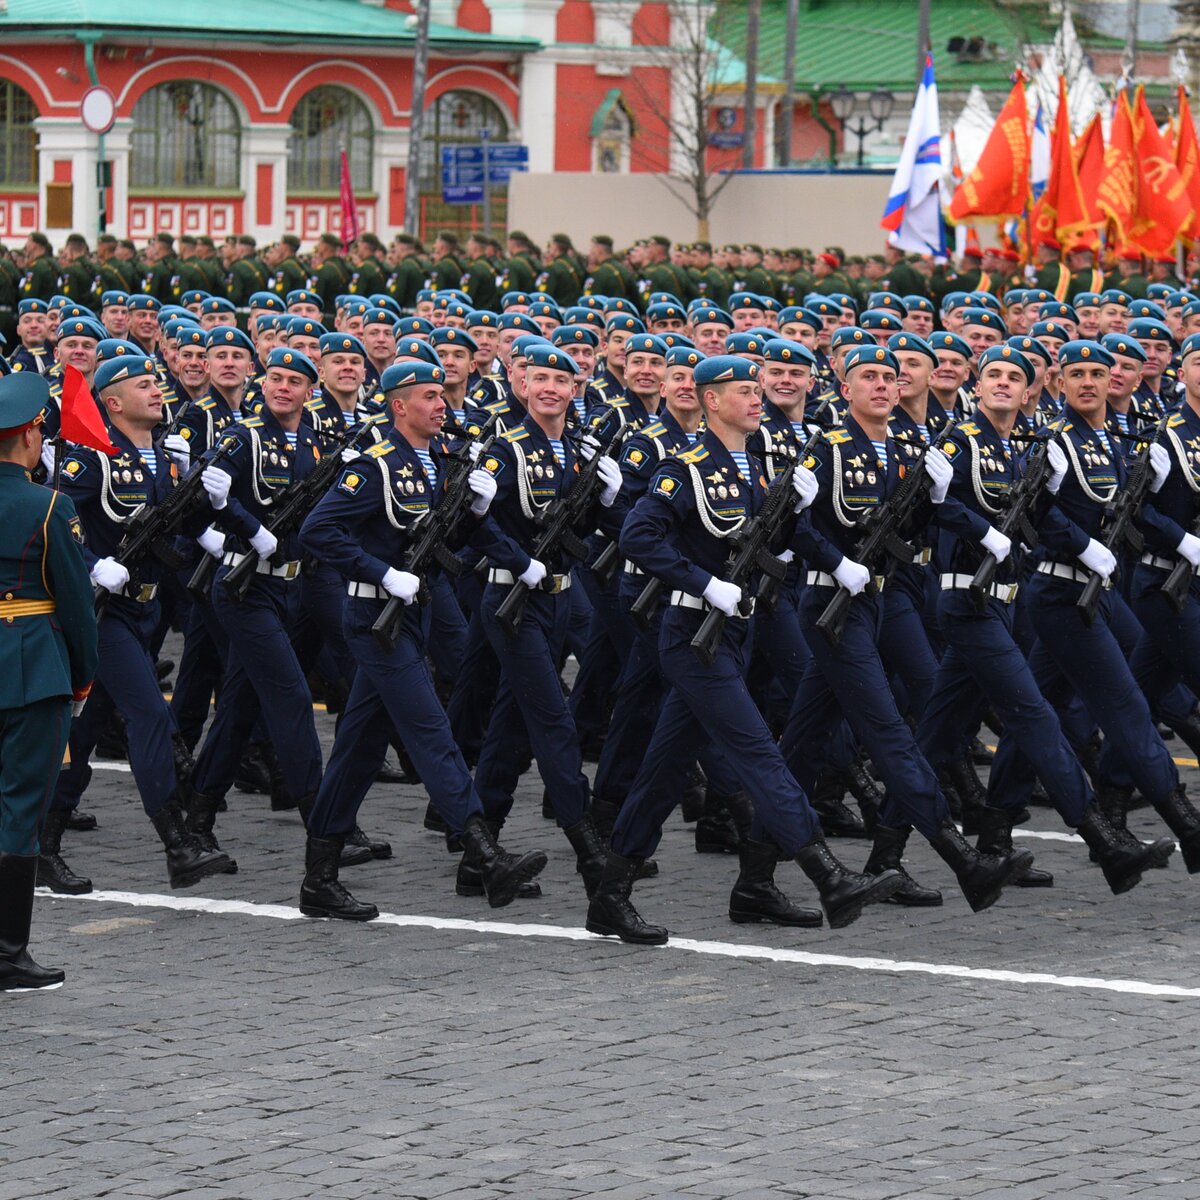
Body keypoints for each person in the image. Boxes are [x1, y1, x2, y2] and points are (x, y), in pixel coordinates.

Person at [600, 355, 905, 944]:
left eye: (756, 389)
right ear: (712, 400)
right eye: (744, 390)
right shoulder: (684, 466)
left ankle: (612, 895)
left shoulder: (759, 465)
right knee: (760, 751)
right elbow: (637, 535)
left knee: (663, 774)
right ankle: (828, 874)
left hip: (732, 632)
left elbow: (780, 537)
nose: (758, 397)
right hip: (694, 635)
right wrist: (699, 580)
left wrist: (808, 525)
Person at [298, 359, 548, 918]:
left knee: (358, 750)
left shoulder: (437, 462)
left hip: (414, 615)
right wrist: (379, 572)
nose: (442, 405)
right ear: (397, 406)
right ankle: (484, 852)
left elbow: (458, 531)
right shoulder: (376, 466)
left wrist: (516, 555)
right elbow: (318, 529)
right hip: (375, 618)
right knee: (433, 730)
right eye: (429, 396)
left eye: (442, 395)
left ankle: (319, 877)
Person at [0, 373, 97, 990]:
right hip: (33, 668)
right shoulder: (50, 506)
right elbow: (78, 607)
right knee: (17, 811)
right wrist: (82, 678)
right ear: (31, 436)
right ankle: (8, 953)